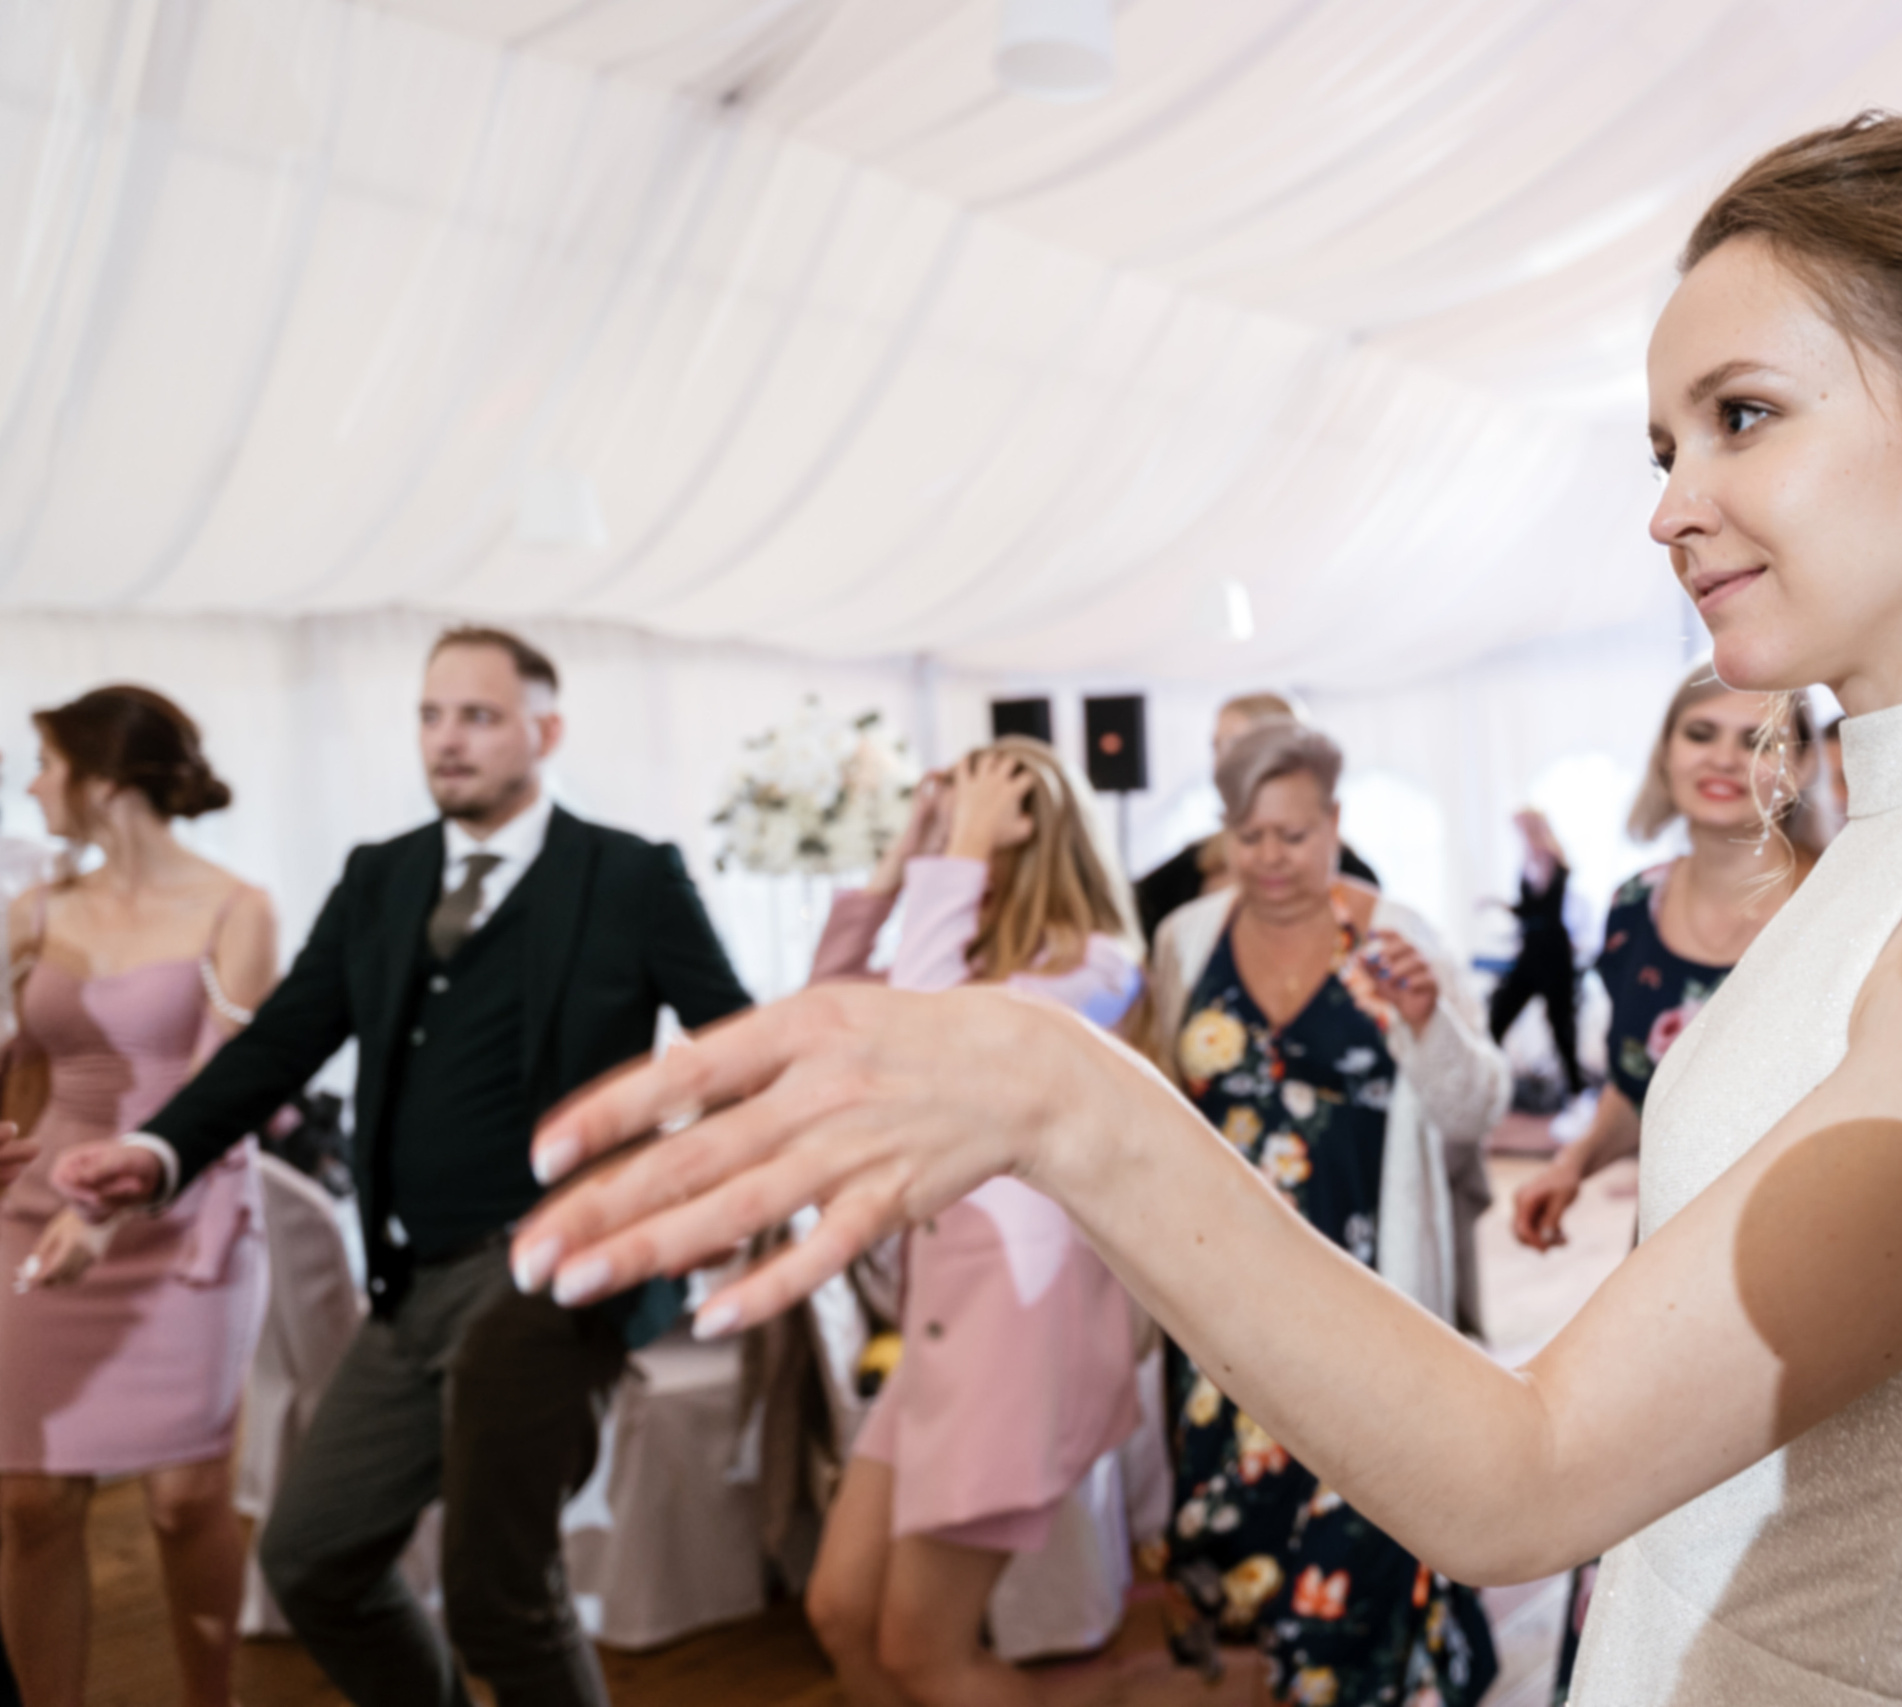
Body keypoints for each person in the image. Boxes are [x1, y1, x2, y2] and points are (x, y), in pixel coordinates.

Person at [509, 80, 1902, 1707]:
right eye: (1664, 444)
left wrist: (1061, 1092)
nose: (1671, 505)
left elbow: (1524, 1477)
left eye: (1741, 416)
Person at [50, 627, 752, 1707]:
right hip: (406, 1278)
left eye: (476, 716)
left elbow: (740, 1051)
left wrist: (683, 1194)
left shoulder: (627, 877)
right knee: (312, 1559)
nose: (447, 740)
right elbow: (284, 1040)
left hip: (549, 1278)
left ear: (544, 731)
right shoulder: (381, 877)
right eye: (430, 716)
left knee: (496, 1595)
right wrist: (158, 1152)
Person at [1149, 720, 1505, 1704]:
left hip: (1361, 1301)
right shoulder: (1187, 939)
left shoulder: (1396, 936)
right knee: (1244, 1548)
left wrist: (1429, 1021)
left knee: (1352, 1561)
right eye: (1250, 837)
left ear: (1335, 825)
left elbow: (1477, 1104)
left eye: (1294, 836)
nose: (1271, 861)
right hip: (1220, 1308)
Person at [798, 740, 1146, 1706]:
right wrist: (900, 863)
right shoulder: (965, 953)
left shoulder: (1096, 971)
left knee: (923, 1652)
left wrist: (960, 854)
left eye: (973, 813)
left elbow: (922, 1035)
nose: (954, 829)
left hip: (1016, 1338)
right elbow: (832, 1006)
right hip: (943, 1333)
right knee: (839, 1611)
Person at [0, 688, 276, 1707]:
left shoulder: (235, 908)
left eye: (44, 763)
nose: (33, 786)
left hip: (182, 1217)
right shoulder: (30, 911)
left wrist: (105, 1211)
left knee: (185, 1501)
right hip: (32, 1216)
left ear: (103, 779)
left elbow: (222, 1089)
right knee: (29, 1503)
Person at [1510, 674, 1822, 1255]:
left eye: (1760, 741)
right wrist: (1570, 1166)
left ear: (1801, 771)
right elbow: (1640, 1090)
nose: (1726, 759)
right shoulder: (1633, 907)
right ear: (1666, 755)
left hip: (1812, 1242)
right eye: (1701, 734)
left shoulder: (1844, 902)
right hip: (1669, 1238)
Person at [1132, 694, 1379, 946]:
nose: (1222, 762)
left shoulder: (1354, 876)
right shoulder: (1192, 864)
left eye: (1239, 746)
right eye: (1217, 747)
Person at [1485, 808, 1587, 1106]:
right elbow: (1528, 909)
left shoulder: (1547, 858)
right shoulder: (1533, 860)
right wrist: (1497, 904)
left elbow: (1541, 900)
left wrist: (1536, 856)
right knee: (1498, 1017)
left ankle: (1577, 1093)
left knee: (1562, 1028)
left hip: (1552, 955)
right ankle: (1488, 1085)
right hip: (1530, 954)